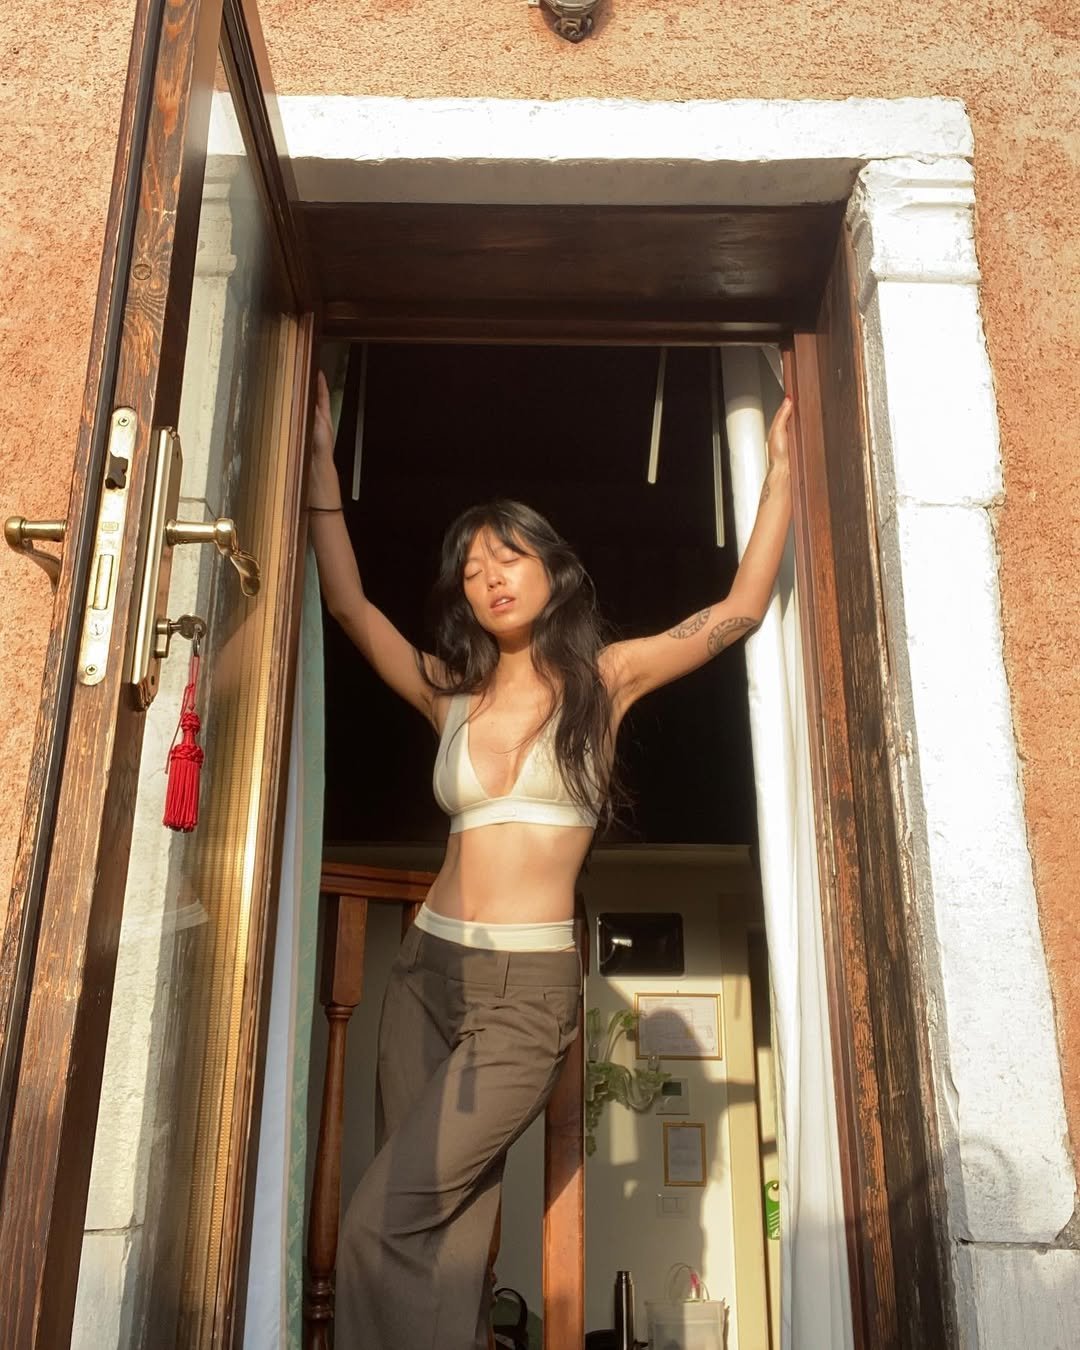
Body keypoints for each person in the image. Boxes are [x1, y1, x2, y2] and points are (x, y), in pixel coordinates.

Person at [307, 370, 794, 1350]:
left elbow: (740, 608)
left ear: (553, 570)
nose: (490, 576)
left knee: (375, 1221)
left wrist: (779, 469)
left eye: (510, 555)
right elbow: (351, 607)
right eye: (472, 568)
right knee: (445, 1238)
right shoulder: (449, 692)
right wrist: (320, 459)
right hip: (424, 973)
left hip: (523, 997)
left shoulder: (605, 681)